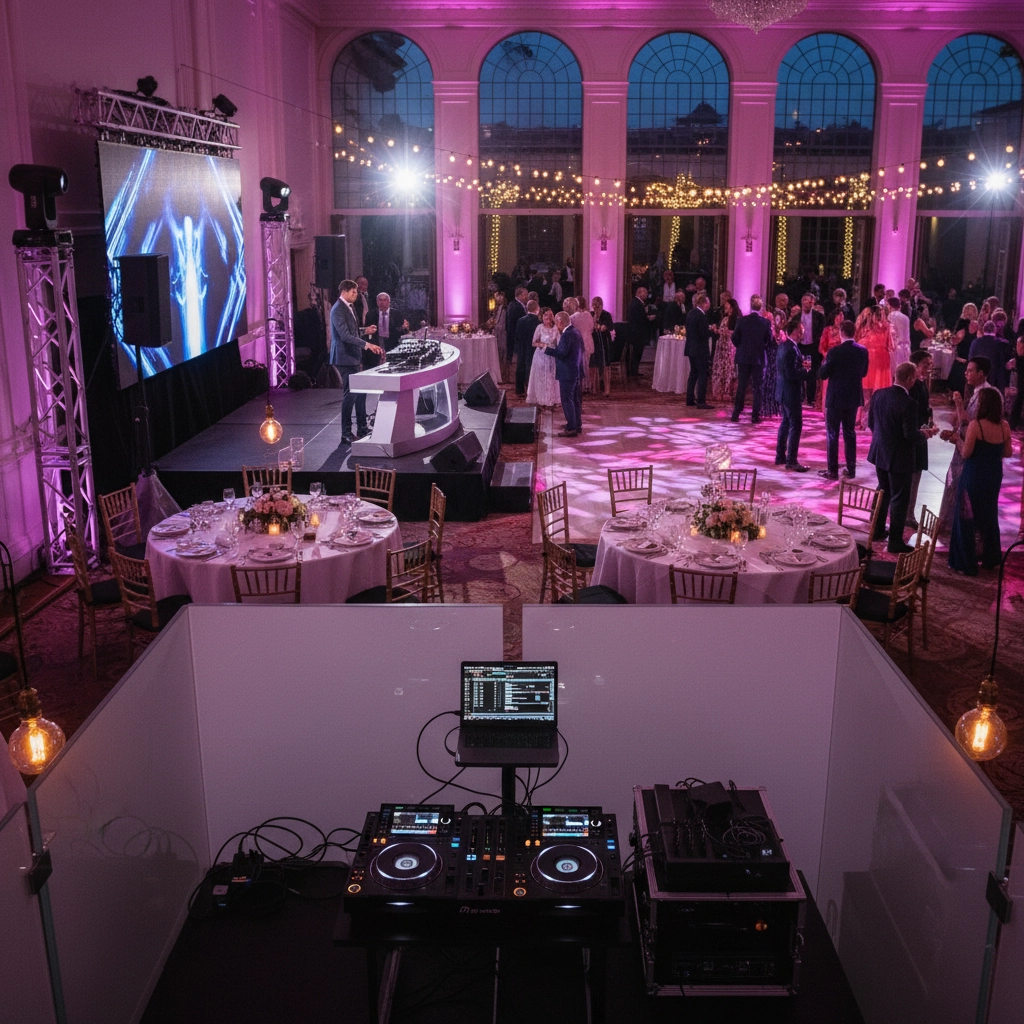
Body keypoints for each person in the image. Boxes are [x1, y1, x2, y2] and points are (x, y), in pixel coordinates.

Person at [947, 388, 1013, 574]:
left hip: (974, 475)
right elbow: (1008, 452)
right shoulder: (1004, 426)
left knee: (966, 516)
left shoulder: (976, 425)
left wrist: (956, 440)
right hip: (993, 475)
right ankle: (990, 556)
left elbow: (966, 453)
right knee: (989, 514)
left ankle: (966, 561)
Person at [867, 362, 923, 554]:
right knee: (899, 498)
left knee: (883, 491)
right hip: (899, 458)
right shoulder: (909, 403)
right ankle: (895, 541)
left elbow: (871, 423)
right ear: (910, 378)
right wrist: (924, 435)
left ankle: (876, 531)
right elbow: (910, 435)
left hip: (880, 453)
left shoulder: (879, 394)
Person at [330, 279, 383, 444]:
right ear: (344, 291)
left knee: (360, 393)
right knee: (350, 395)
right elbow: (345, 336)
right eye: (353, 292)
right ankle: (346, 433)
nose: (355, 295)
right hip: (344, 357)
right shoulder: (338, 309)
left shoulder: (350, 307)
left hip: (352, 356)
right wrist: (367, 345)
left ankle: (362, 428)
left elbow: (352, 332)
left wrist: (365, 330)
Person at [818, 319, 868, 480]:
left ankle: (832, 471)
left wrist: (824, 365)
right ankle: (851, 469)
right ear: (854, 333)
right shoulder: (863, 351)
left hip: (836, 397)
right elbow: (864, 372)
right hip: (853, 397)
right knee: (850, 433)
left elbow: (823, 374)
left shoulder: (834, 351)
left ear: (841, 333)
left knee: (833, 434)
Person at [906, 351, 939, 527]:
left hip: (921, 435)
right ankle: (906, 514)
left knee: (916, 474)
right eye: (925, 365)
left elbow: (925, 409)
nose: (928, 368)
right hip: (913, 436)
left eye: (930, 365)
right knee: (910, 475)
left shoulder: (922, 383)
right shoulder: (911, 386)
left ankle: (909, 513)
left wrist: (930, 422)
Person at [775, 319, 811, 472]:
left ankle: (780, 456)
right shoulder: (791, 348)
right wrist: (805, 371)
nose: (803, 333)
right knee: (795, 425)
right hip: (791, 393)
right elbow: (791, 373)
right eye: (801, 331)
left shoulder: (783, 346)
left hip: (782, 391)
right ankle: (791, 460)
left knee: (785, 423)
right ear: (795, 331)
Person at [731, 294, 772, 424]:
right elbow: (769, 340)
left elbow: (734, 338)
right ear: (761, 307)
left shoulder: (741, 321)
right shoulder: (765, 322)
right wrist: (761, 348)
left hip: (743, 357)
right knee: (757, 387)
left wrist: (741, 347)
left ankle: (736, 413)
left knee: (741, 386)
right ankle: (755, 416)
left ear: (750, 306)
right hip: (758, 358)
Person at [544, 311, 585, 437]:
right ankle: (576, 424)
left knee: (567, 399)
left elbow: (562, 353)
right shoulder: (576, 332)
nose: (556, 325)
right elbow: (582, 350)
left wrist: (547, 349)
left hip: (567, 372)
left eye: (556, 322)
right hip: (575, 370)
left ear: (560, 322)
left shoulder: (567, 334)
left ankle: (571, 428)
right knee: (575, 399)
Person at [858, 304, 892, 426]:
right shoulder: (886, 327)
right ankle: (875, 421)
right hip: (880, 360)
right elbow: (891, 346)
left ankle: (865, 420)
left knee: (867, 391)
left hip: (871, 359)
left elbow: (859, 343)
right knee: (878, 392)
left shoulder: (865, 328)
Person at [526, 308, 560, 406]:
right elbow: (534, 343)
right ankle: (541, 398)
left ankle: (551, 398)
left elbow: (559, 342)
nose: (548, 317)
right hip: (540, 356)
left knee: (551, 377)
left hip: (552, 356)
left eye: (550, 315)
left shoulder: (556, 328)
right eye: (546, 315)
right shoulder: (539, 327)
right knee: (541, 377)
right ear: (542, 316)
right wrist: (543, 345)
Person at [685, 293, 713, 408]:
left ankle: (690, 399)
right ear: (704, 304)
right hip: (700, 350)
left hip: (691, 348)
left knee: (693, 373)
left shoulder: (690, 313)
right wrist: (711, 331)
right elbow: (703, 334)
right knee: (702, 375)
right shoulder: (701, 316)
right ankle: (701, 401)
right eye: (707, 303)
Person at [798, 293, 825, 406]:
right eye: (804, 300)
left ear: (812, 303)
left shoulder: (819, 317)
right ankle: (800, 397)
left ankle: (810, 398)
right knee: (801, 372)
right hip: (800, 347)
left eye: (808, 301)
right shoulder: (797, 316)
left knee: (811, 373)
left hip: (812, 347)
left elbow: (822, 333)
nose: (806, 303)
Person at [363, 292, 409, 358]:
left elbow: (403, 332)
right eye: (380, 300)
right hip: (376, 343)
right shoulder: (370, 314)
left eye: (385, 300)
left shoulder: (397, 314)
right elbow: (366, 331)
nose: (382, 302)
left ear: (389, 302)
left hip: (393, 342)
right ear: (377, 302)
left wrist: (405, 328)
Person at [969, 320, 1011, 392]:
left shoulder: (975, 342)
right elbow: (1004, 365)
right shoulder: (1002, 344)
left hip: (978, 379)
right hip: (996, 382)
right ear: (995, 330)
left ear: (983, 330)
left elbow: (970, 359)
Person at [948, 302, 979, 398]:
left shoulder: (962, 325)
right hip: (971, 359)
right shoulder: (978, 326)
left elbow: (954, 341)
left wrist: (952, 340)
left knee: (957, 385)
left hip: (962, 359)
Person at [710, 297, 738, 402]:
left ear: (732, 307)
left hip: (729, 347)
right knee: (722, 369)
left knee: (728, 369)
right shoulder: (726, 318)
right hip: (722, 347)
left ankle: (726, 392)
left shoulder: (735, 319)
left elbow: (731, 333)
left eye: (727, 305)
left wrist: (718, 330)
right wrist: (717, 330)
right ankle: (721, 392)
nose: (725, 307)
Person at [817, 309, 845, 410]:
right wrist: (829, 357)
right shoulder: (827, 330)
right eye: (838, 317)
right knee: (828, 385)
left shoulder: (845, 331)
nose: (840, 319)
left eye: (842, 316)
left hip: (842, 361)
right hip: (829, 360)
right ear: (834, 318)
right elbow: (821, 348)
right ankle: (827, 409)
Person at [514, 299, 541, 396]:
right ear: (537, 309)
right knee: (531, 367)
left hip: (522, 346)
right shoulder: (538, 322)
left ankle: (519, 390)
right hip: (533, 348)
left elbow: (517, 336)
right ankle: (530, 389)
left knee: (520, 367)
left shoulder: (520, 320)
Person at [627, 284, 655, 377]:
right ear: (640, 293)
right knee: (637, 352)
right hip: (638, 332)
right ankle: (634, 371)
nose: (647, 295)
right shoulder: (637, 304)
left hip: (635, 331)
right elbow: (640, 319)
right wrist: (648, 318)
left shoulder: (633, 302)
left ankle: (634, 370)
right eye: (645, 293)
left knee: (636, 352)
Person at [591, 296, 613, 396]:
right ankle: (594, 388)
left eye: (598, 305)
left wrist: (603, 326)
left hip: (604, 342)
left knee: (605, 365)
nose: (596, 307)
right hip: (594, 342)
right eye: (594, 305)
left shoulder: (606, 315)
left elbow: (609, 327)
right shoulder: (590, 314)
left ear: (602, 305)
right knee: (594, 365)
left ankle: (607, 390)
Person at [505, 286, 529, 369]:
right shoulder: (515, 306)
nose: (527, 297)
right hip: (516, 337)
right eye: (525, 294)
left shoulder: (515, 304)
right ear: (519, 295)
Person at [887, 296, 911, 376]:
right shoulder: (906, 317)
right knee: (904, 373)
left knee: (895, 373)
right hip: (906, 347)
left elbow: (891, 333)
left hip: (896, 348)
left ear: (890, 306)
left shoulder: (891, 316)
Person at [492, 291, 509, 383]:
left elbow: (501, 324)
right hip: (498, 333)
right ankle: (499, 375)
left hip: (502, 333)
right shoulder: (499, 308)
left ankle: (504, 376)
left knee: (503, 354)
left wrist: (494, 327)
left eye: (499, 297)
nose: (497, 299)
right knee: (498, 354)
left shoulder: (505, 309)